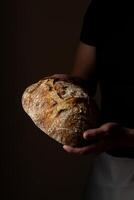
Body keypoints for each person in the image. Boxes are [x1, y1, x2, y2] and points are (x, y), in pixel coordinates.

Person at [52, 0, 134, 199]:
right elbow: (85, 79)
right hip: (114, 168)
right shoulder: (103, 7)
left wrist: (130, 136)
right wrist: (70, 86)